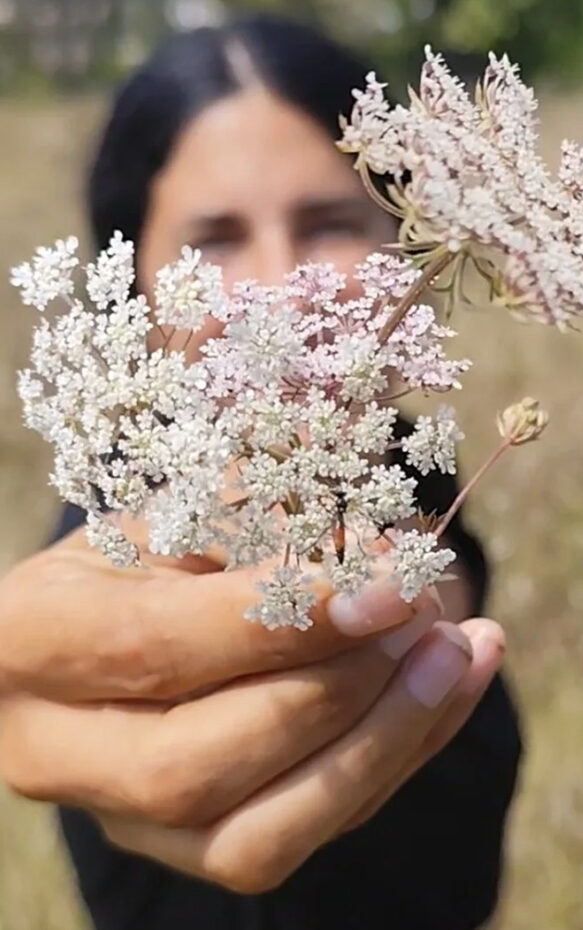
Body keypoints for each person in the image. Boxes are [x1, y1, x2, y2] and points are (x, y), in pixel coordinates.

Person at [0, 14, 523, 930]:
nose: (280, 287)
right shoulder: (131, 521)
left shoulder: (414, 465)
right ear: (133, 284)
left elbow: (440, 549)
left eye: (328, 224)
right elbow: (80, 600)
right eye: (214, 241)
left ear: (411, 245)